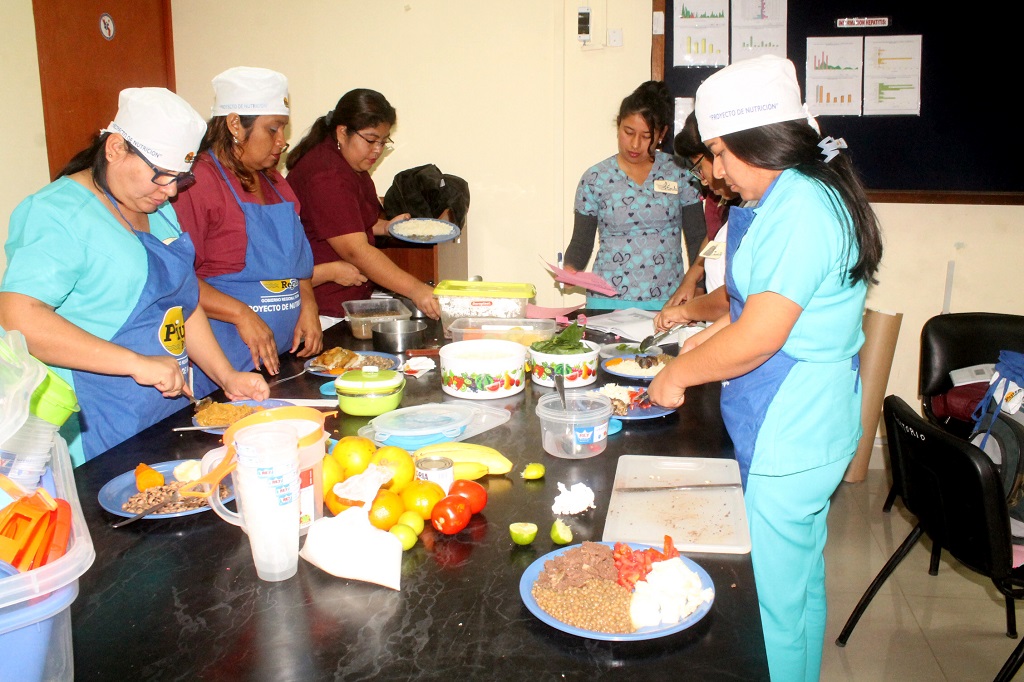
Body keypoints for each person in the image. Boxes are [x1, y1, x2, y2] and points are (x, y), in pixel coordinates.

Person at [647, 56, 883, 681]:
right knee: (796, 582)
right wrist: (705, 339)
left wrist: (677, 374)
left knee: (771, 604)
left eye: (721, 155)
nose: (716, 172)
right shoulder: (799, 192)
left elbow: (759, 336)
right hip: (798, 415)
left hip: (793, 421)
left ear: (759, 141)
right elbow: (754, 306)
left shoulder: (801, 204)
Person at [0, 88, 270, 465]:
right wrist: (134, 362)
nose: (171, 191)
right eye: (161, 176)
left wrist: (226, 376)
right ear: (114, 148)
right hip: (99, 424)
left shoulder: (156, 209)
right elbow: (19, 317)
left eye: (180, 179)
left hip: (160, 418)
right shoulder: (56, 213)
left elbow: (182, 304)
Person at [172, 67, 322, 396]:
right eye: (273, 129)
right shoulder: (198, 183)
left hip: (281, 358)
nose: (282, 142)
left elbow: (299, 265)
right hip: (227, 366)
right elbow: (177, 278)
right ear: (235, 124)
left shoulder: (275, 182)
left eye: (283, 129)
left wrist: (308, 305)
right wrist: (242, 315)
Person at [284, 88, 441, 319]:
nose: (377, 150)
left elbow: (343, 222)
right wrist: (417, 290)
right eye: (370, 140)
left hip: (349, 298)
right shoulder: (327, 175)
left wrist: (385, 227)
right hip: (324, 310)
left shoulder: (349, 163)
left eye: (383, 141)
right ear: (342, 132)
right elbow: (354, 250)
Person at [562, 81, 704, 310]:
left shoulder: (680, 173)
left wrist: (699, 286)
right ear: (618, 126)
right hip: (606, 303)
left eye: (646, 136)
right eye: (628, 132)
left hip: (668, 302)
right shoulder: (595, 178)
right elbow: (581, 241)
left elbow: (698, 236)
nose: (635, 144)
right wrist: (570, 270)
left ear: (662, 134)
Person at [655, 113, 747, 328]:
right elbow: (714, 239)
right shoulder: (723, 201)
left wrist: (686, 312)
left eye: (698, 168)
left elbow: (732, 300)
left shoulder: (756, 207)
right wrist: (692, 278)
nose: (703, 178)